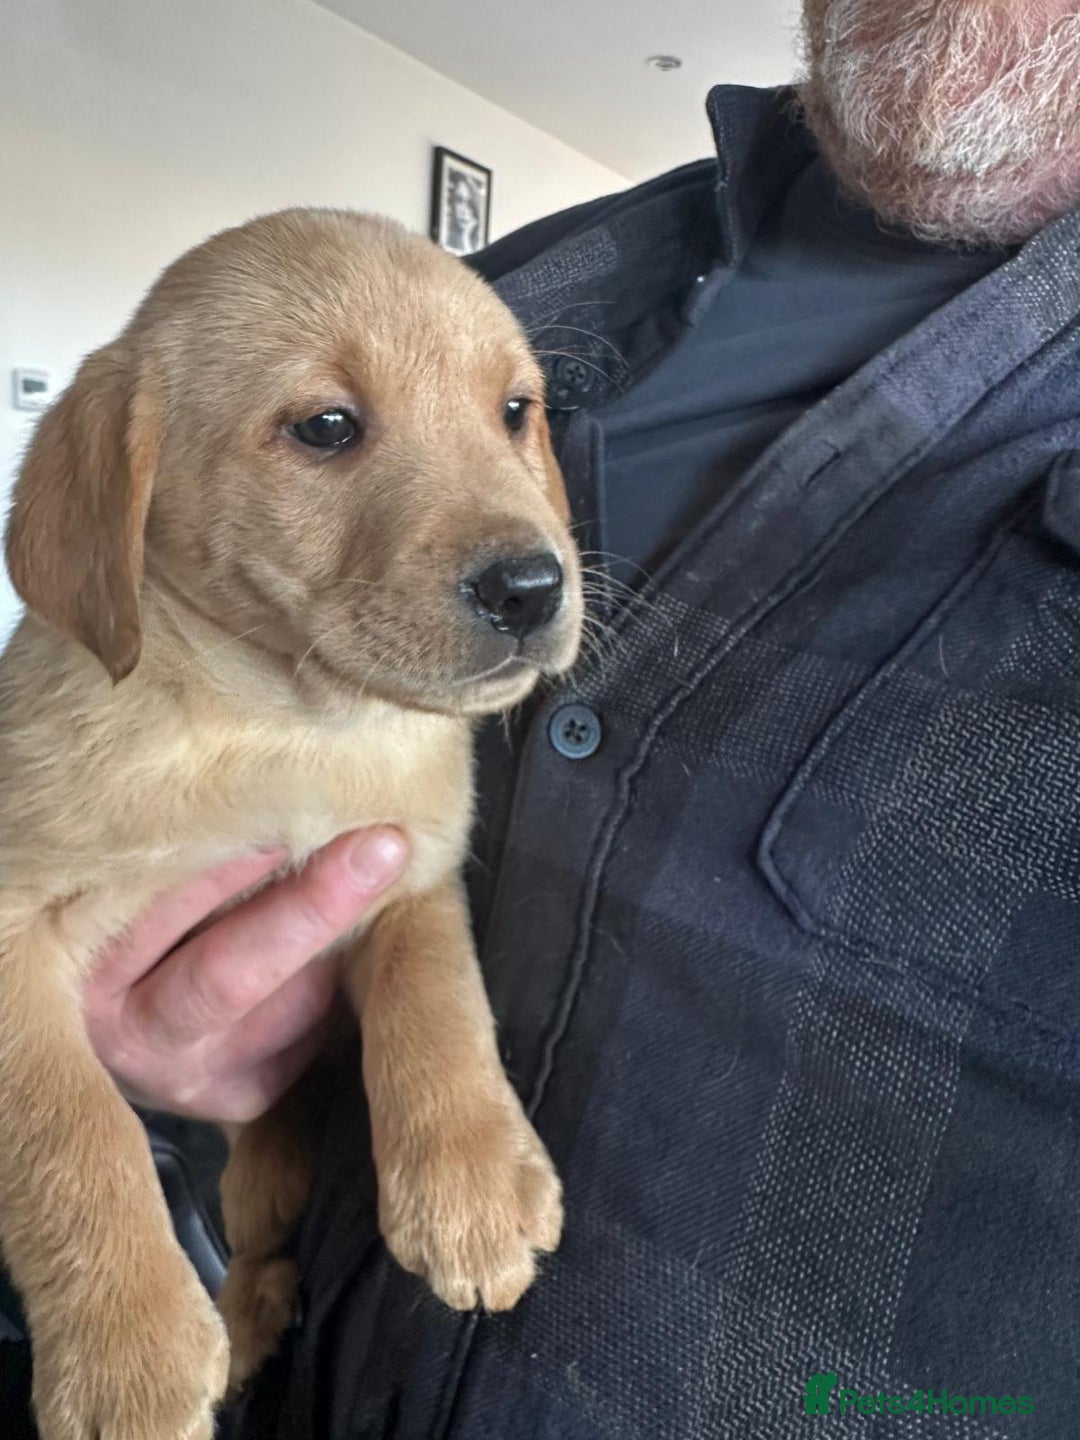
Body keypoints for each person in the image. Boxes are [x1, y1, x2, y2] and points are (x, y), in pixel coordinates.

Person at [6, 0, 1080, 1434]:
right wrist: (146, 1127)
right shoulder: (539, 275)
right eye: (328, 430)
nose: (529, 545)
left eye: (520, 420)